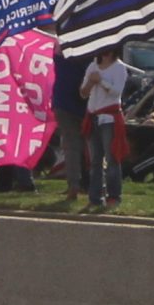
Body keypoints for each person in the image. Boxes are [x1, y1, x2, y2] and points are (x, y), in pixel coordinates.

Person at [79, 45, 129, 209]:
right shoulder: (92, 66)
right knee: (95, 161)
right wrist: (91, 83)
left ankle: (114, 196)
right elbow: (83, 93)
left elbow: (116, 92)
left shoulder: (119, 68)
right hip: (93, 116)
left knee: (112, 158)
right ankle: (95, 197)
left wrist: (100, 81)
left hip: (109, 118)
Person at [53, 46, 90, 202]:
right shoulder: (88, 56)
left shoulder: (60, 57)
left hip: (65, 102)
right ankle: (88, 183)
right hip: (85, 103)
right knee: (89, 146)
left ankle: (74, 184)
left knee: (72, 146)